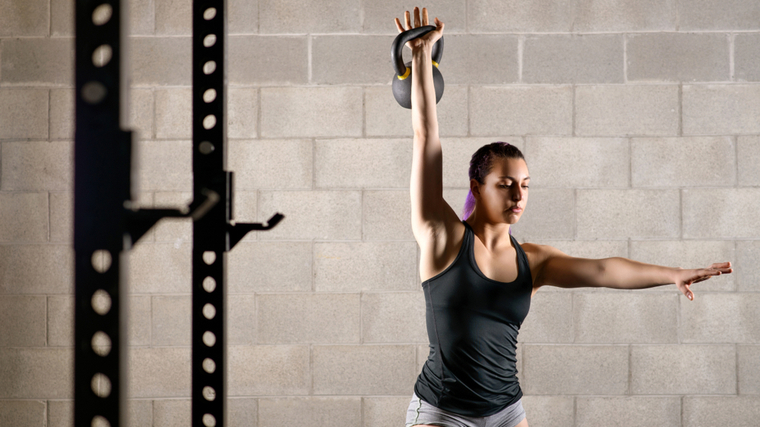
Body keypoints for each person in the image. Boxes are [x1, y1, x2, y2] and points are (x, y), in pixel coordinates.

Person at [395, 7, 734, 427]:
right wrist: (422, 59)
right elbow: (426, 135)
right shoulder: (441, 238)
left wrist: (673, 274)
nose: (519, 195)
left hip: (507, 412)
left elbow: (604, 269)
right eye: (505, 184)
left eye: (526, 185)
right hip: (443, 411)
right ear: (477, 186)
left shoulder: (533, 262)